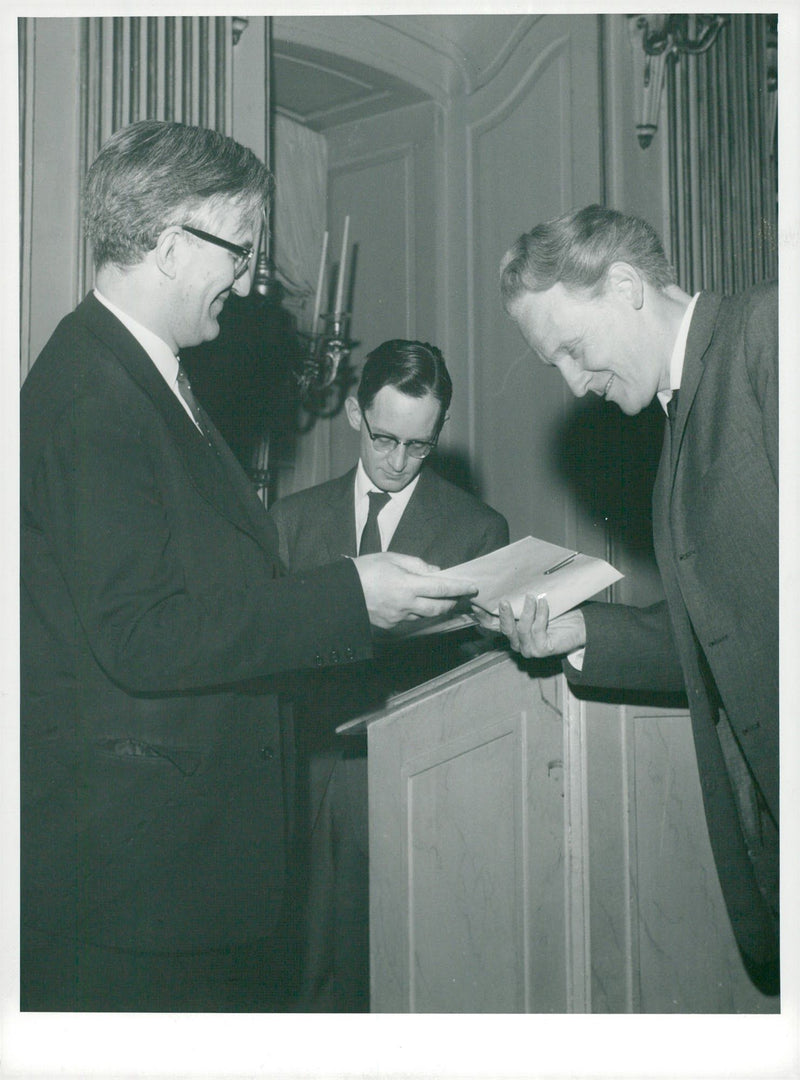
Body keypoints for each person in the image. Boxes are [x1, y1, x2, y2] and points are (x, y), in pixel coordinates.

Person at [19, 120, 477, 1013]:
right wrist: (352, 595)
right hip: (140, 884)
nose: (250, 275)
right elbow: (143, 635)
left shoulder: (135, 377)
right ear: (167, 244)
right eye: (238, 247)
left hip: (173, 868)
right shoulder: (92, 397)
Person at [492, 203, 778, 996]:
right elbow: (718, 640)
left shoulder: (768, 335)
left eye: (573, 352)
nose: (577, 385)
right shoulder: (677, 422)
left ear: (624, 287)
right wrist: (573, 633)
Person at [268, 338, 509, 1008]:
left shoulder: (477, 531)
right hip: (306, 776)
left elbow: (481, 678)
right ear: (353, 412)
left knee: (401, 973)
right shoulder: (288, 523)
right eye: (384, 439)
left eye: (419, 446)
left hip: (417, 781)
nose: (399, 461)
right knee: (303, 976)